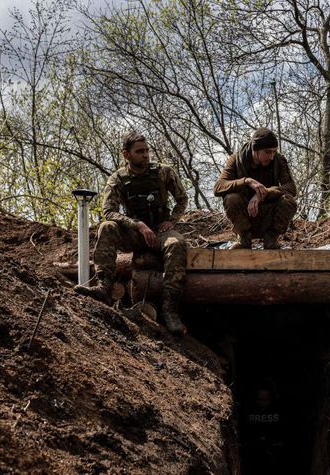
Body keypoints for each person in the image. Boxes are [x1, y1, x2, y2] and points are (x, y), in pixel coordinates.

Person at [75, 131, 189, 335]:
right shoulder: (117, 178)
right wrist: (136, 224)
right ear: (126, 155)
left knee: (177, 244)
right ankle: (104, 287)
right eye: (139, 152)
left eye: (147, 151)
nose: (145, 155)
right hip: (134, 233)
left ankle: (170, 309)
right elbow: (108, 211)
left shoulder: (164, 172)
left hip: (160, 229)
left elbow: (182, 199)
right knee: (106, 226)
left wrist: (171, 221)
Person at [213, 128, 297, 249]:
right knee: (231, 198)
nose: (272, 156)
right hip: (245, 216)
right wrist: (247, 181)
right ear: (255, 149)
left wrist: (263, 193)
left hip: (269, 215)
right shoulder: (236, 159)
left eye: (274, 152)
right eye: (268, 152)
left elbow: (291, 188)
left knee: (288, 200)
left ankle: (271, 240)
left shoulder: (278, 160)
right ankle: (244, 241)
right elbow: (218, 187)